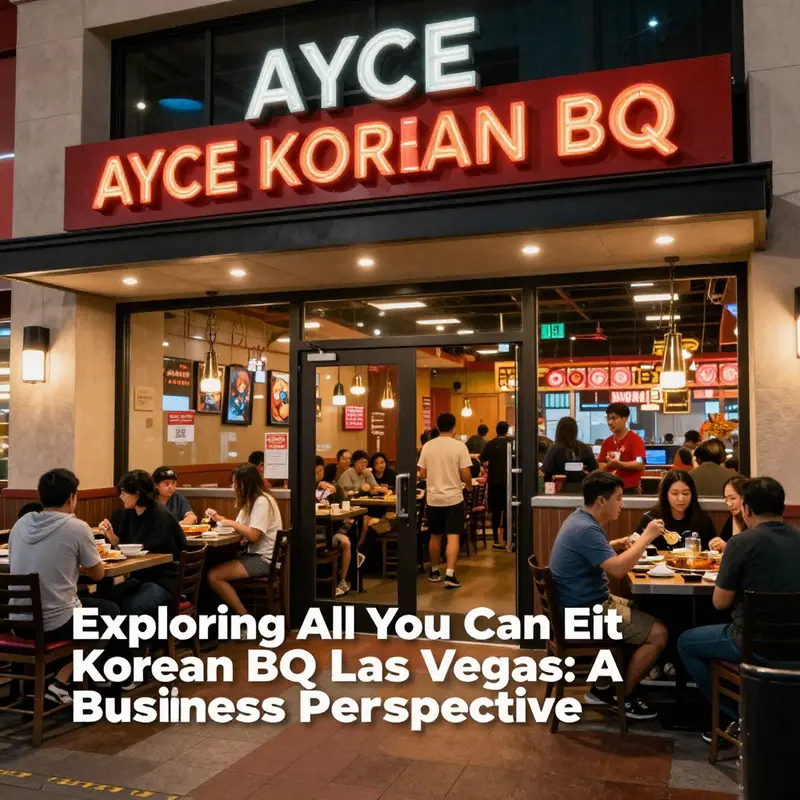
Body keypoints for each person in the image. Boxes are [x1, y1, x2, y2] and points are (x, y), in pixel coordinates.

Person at [677, 477, 800, 742]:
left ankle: (737, 716)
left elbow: (719, 602)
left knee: (685, 642)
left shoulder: (742, 542)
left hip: (752, 642)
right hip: (796, 645)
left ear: (746, 509)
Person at [549, 471, 668, 719]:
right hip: (585, 612)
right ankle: (621, 695)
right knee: (658, 634)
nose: (622, 504)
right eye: (619, 498)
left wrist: (613, 544)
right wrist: (645, 537)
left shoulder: (579, 519)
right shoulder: (586, 530)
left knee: (644, 608)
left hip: (578, 606)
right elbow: (617, 570)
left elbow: (593, 554)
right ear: (602, 501)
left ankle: (603, 686)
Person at [9, 469, 119, 705]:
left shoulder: (21, 524)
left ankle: (47, 683)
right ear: (72, 497)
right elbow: (98, 575)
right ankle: (62, 679)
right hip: (55, 624)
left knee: (90, 607)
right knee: (110, 614)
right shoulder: (76, 527)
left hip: (17, 622)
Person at [102, 470, 187, 616]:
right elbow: (122, 545)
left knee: (129, 607)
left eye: (124, 492)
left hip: (164, 581)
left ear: (138, 494)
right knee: (107, 600)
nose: (121, 497)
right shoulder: (129, 512)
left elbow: (149, 553)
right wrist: (109, 533)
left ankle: (138, 638)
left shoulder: (160, 515)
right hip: (140, 578)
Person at [205, 464, 283, 615]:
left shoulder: (262, 501)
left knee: (214, 576)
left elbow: (253, 535)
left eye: (235, 483)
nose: (233, 486)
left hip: (264, 559)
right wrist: (218, 518)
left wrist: (231, 523)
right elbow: (242, 527)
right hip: (254, 554)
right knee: (212, 566)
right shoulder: (251, 501)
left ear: (244, 484)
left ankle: (244, 618)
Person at [419, 412, 472, 588]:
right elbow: (465, 474)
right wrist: (469, 486)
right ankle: (450, 574)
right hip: (453, 498)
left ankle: (434, 570)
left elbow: (422, 473)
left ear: (437, 426)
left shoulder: (428, 446)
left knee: (435, 536)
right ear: (454, 427)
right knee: (452, 536)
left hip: (433, 499)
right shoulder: (459, 447)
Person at [636, 470, 717, 549]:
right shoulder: (651, 519)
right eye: (675, 493)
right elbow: (636, 548)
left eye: (686, 493)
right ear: (665, 494)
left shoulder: (702, 519)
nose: (681, 498)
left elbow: (712, 551)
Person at [315, 456, 350, 596]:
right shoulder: (304, 487)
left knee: (345, 542)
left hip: (331, 530)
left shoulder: (333, 488)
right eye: (315, 471)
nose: (318, 474)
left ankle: (342, 581)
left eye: (320, 471)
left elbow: (343, 508)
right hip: (312, 532)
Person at [599, 403, 647, 494]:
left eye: (614, 418)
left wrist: (619, 464)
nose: (610, 422)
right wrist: (607, 465)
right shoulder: (607, 442)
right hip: (610, 489)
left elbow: (639, 463)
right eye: (608, 419)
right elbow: (601, 463)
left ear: (624, 419)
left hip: (630, 489)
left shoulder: (636, 440)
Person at [542, 416, 598, 493]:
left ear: (559, 431)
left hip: (559, 490)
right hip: (583, 490)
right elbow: (594, 469)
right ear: (575, 430)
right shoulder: (585, 448)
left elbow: (546, 471)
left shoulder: (554, 449)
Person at [481, 421, 512, 549]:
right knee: (507, 510)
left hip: (494, 482)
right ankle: (506, 538)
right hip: (508, 482)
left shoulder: (491, 444)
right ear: (507, 430)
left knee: (495, 512)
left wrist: (488, 469)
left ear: (496, 430)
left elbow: (482, 459)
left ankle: (495, 540)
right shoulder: (510, 444)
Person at [709, 476, 749, 553]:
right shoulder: (732, 518)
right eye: (726, 499)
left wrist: (727, 547)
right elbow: (724, 540)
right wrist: (717, 544)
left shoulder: (754, 520)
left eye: (733, 498)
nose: (729, 504)